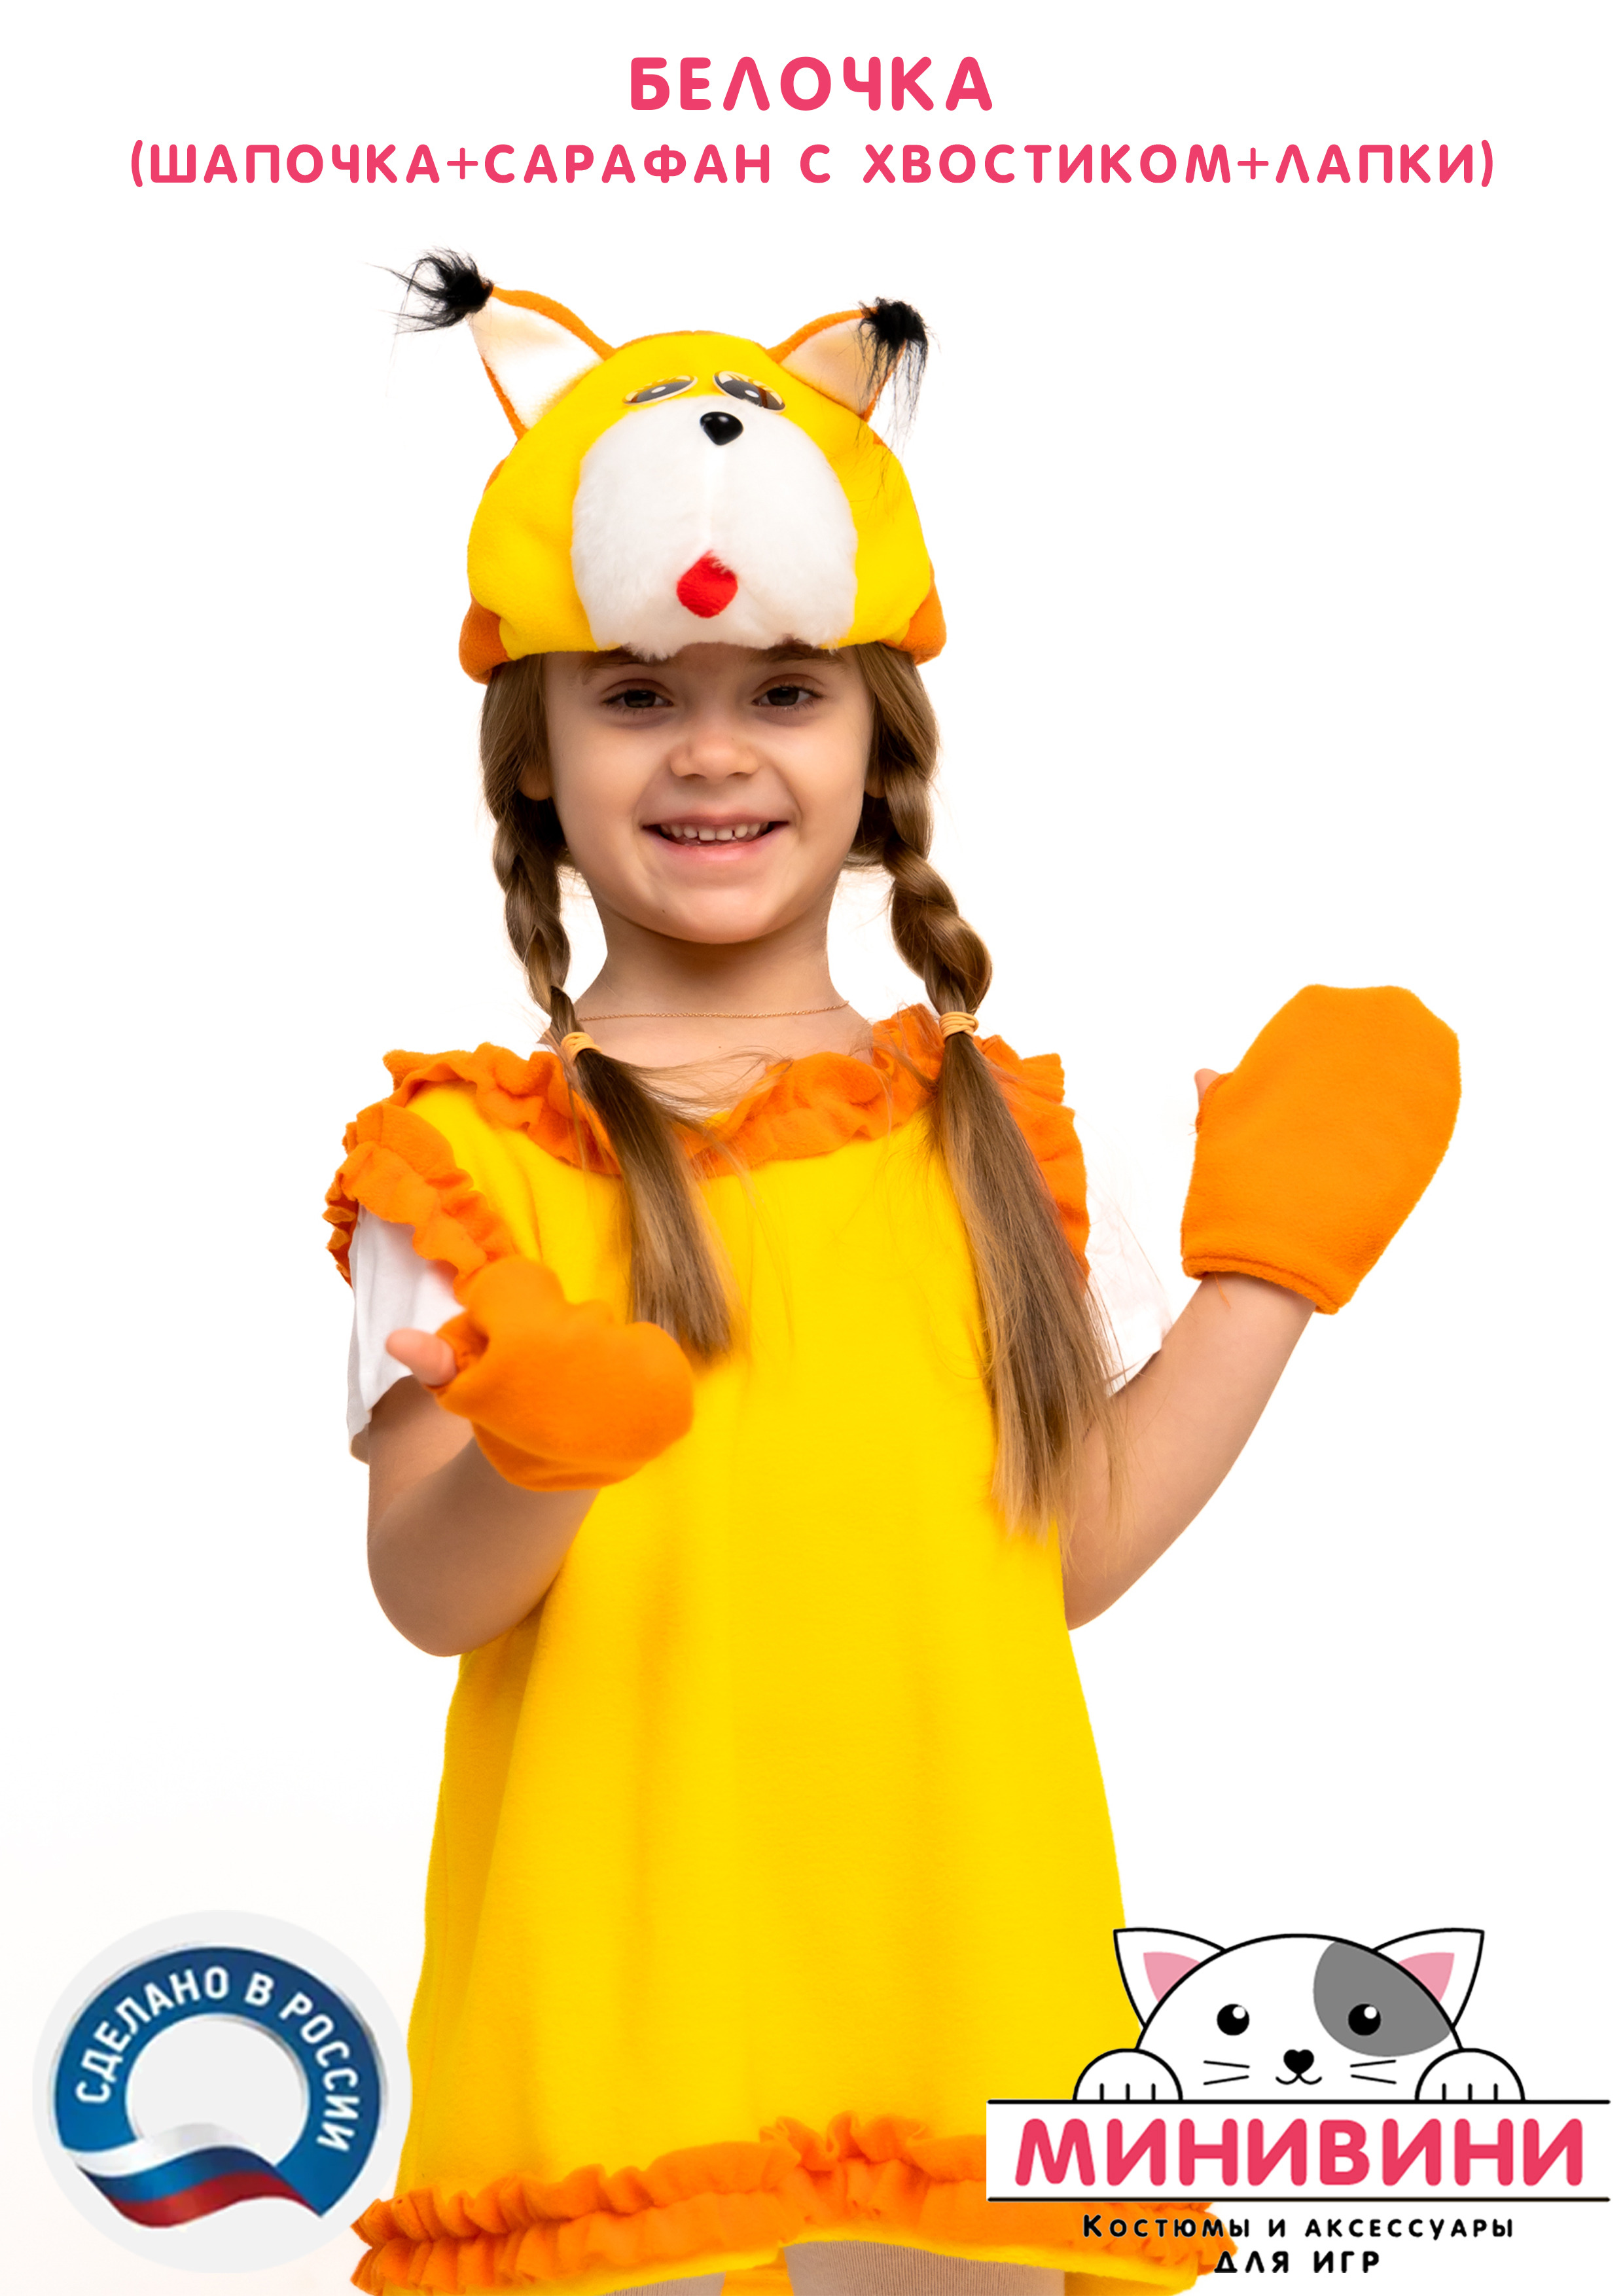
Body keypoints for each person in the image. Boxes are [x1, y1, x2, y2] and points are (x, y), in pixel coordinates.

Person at [326, 257, 1460, 2296]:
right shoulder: (469, 1167)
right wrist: (536, 1453)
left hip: (957, 2006)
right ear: (537, 751)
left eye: (784, 691)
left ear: (879, 741)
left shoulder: (984, 1138)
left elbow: (1057, 1549)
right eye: (638, 694)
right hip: (624, 2032)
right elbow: (427, 1590)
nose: (712, 752)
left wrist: (1266, 1279)